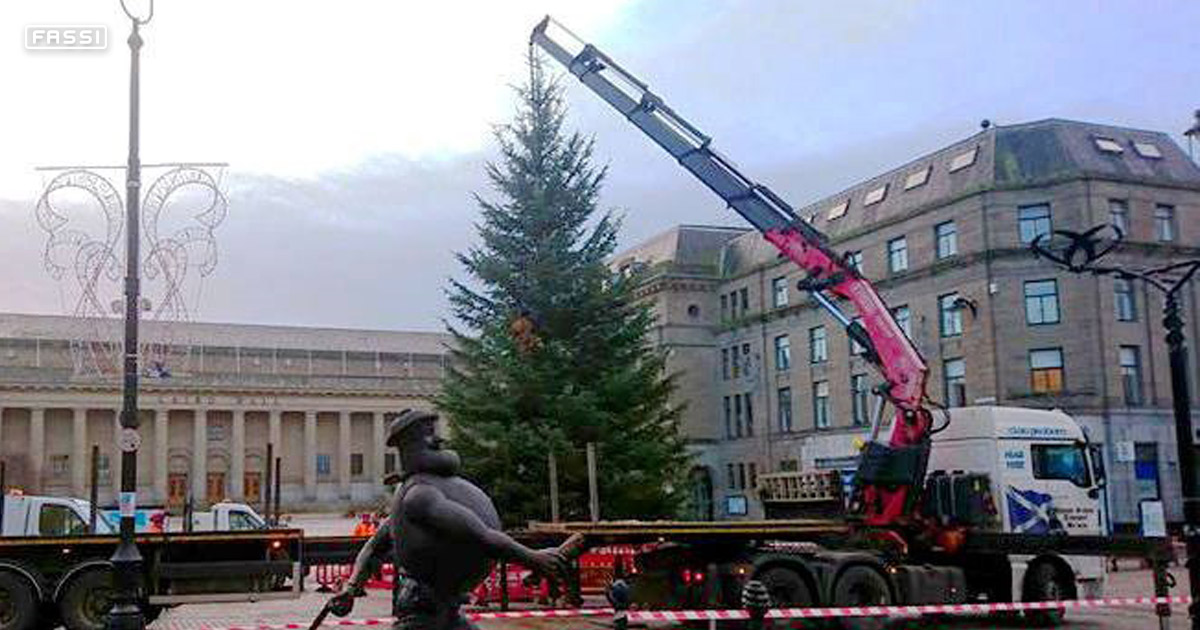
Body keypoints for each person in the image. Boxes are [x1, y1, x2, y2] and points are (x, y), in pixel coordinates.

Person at [333, 409, 573, 630]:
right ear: (411, 445)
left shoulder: (412, 491)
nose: (439, 440)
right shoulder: (419, 496)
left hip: (443, 606)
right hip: (424, 609)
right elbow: (481, 535)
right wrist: (533, 558)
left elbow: (373, 547)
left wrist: (352, 588)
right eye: (429, 435)